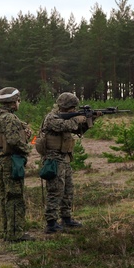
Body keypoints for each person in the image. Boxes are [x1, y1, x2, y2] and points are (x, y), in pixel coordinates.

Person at [39, 92, 89, 234]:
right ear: (65, 107)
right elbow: (63, 126)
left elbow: (78, 130)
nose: (74, 110)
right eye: (72, 107)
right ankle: (51, 222)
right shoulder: (51, 118)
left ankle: (66, 218)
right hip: (53, 159)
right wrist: (77, 119)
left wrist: (89, 120)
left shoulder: (70, 118)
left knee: (68, 190)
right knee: (55, 190)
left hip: (65, 158)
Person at [0, 87, 33, 242]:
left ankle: (7, 230)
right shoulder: (9, 118)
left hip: (0, 159)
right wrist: (27, 148)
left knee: (5, 196)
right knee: (14, 197)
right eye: (18, 100)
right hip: (11, 160)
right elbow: (14, 140)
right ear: (14, 102)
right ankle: (16, 234)